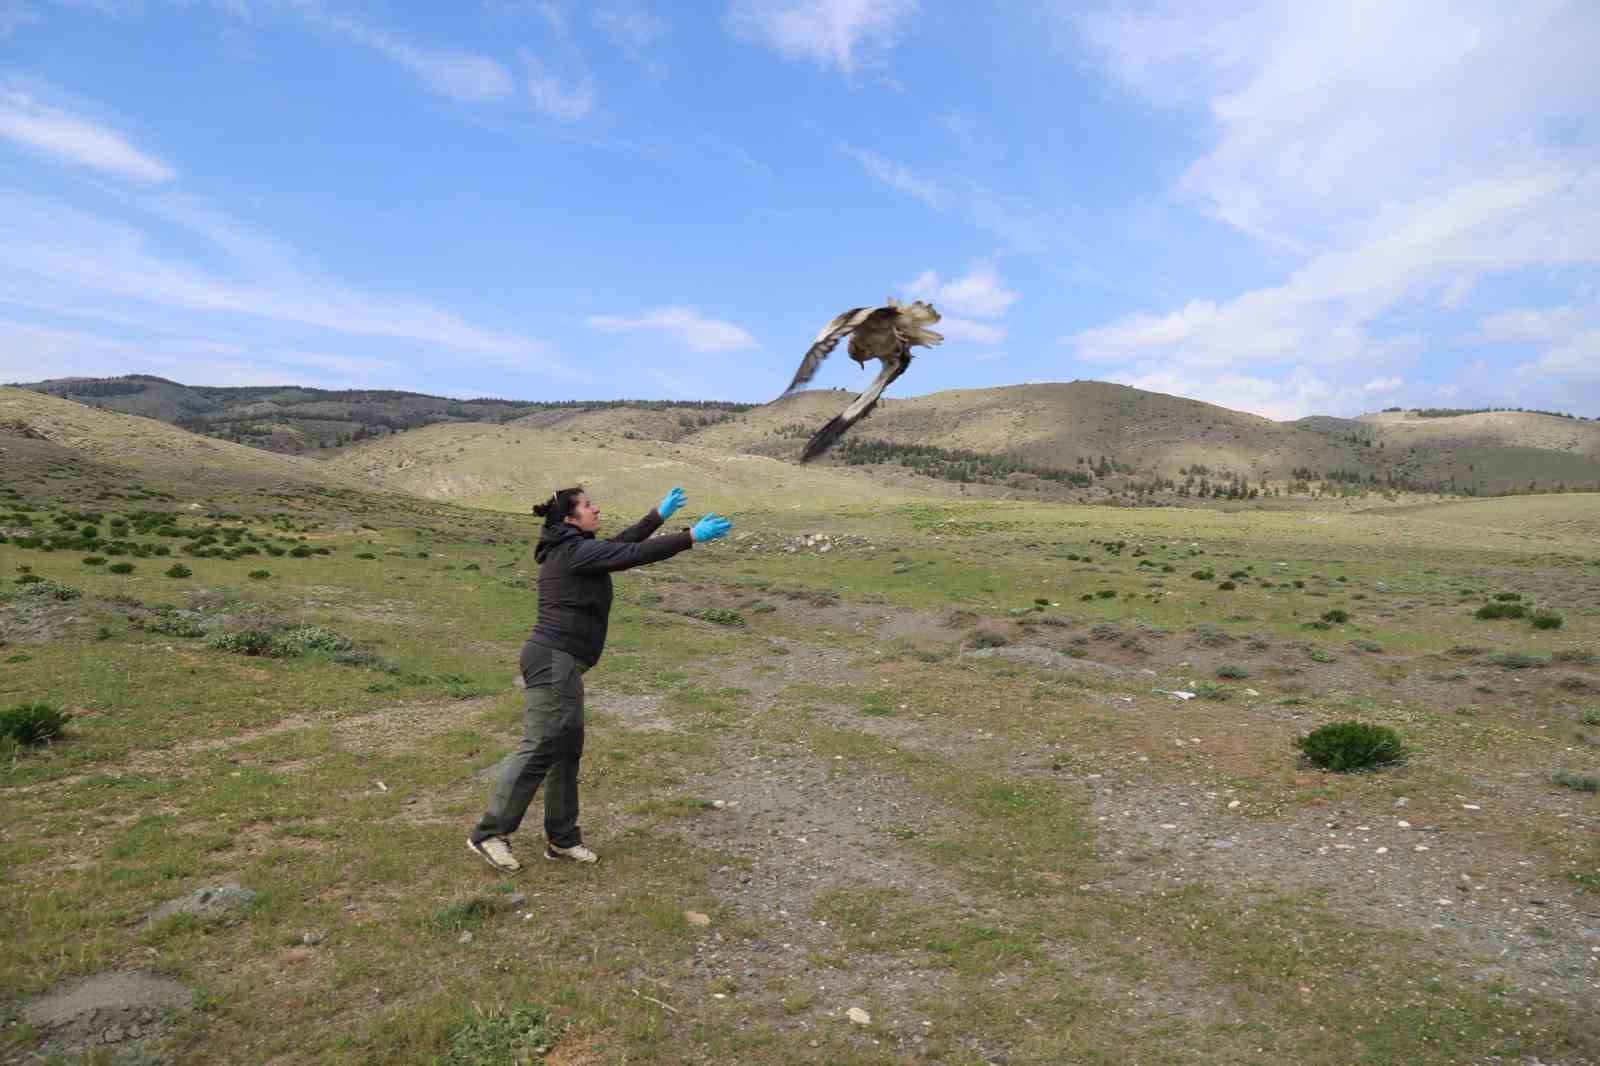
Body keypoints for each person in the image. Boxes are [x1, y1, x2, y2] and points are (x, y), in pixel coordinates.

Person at [468, 485, 732, 871]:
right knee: (541, 744)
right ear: (570, 519)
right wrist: (690, 536)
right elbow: (631, 553)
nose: (597, 509)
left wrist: (657, 516)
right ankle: (489, 833)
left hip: (564, 662)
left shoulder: (576, 548)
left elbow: (620, 544)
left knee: (565, 748)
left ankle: (562, 839)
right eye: (589, 506)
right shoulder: (572, 553)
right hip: (553, 660)